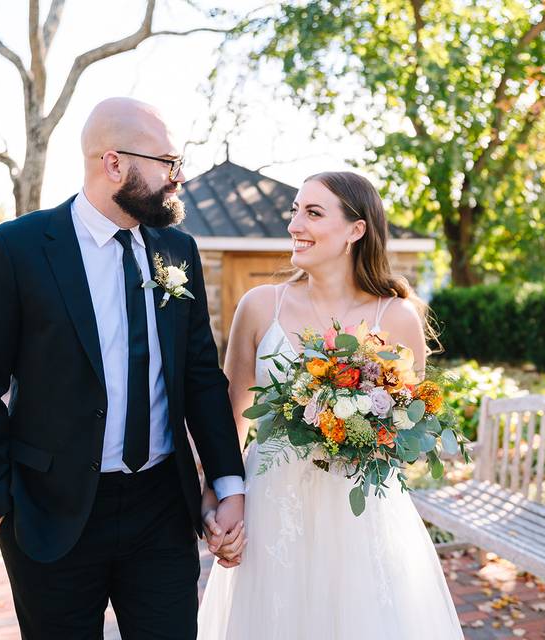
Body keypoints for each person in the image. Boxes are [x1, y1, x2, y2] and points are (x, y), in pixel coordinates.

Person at [0, 97, 245, 640]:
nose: (177, 178)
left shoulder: (178, 251)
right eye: (166, 163)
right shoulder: (13, 249)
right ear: (113, 164)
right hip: (48, 514)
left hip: (160, 508)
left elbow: (202, 375)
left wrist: (229, 483)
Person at [197, 171, 463, 639]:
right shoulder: (260, 306)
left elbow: (410, 433)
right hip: (273, 509)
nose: (295, 224)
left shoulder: (396, 317)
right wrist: (216, 499)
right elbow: (230, 418)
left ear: (356, 230)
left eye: (313, 213)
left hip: (360, 516)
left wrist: (363, 422)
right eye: (295, 211)